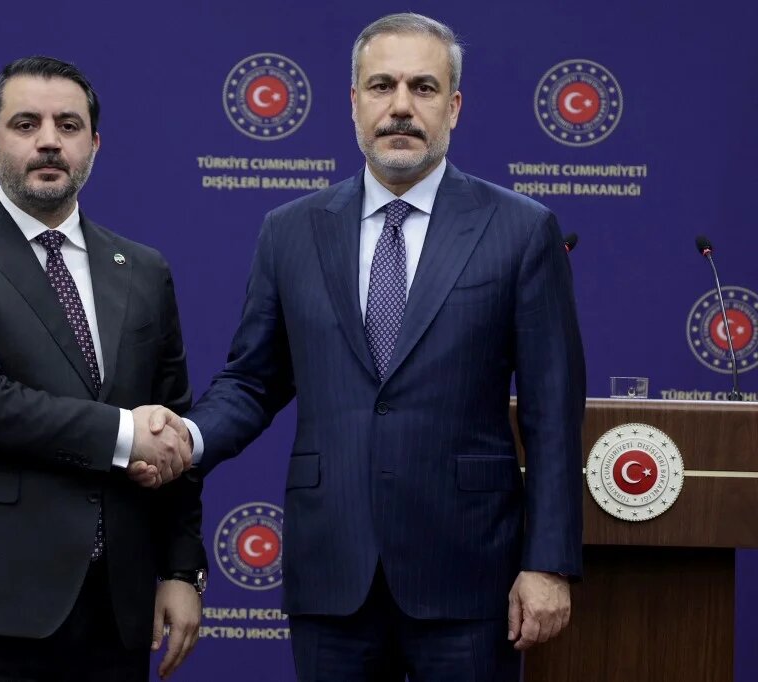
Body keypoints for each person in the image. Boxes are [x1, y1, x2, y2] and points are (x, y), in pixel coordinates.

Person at [177, 12, 586, 681]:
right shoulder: (290, 231)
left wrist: (547, 563)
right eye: (382, 86)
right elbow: (252, 382)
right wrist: (188, 440)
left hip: (467, 578)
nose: (401, 106)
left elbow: (551, 414)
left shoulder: (520, 230)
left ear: (453, 106)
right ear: (353, 103)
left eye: (423, 87)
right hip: (332, 572)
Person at [0, 56, 207, 682]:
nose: (48, 139)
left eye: (68, 125)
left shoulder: (144, 270)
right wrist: (124, 434)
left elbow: (175, 422)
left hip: (114, 612)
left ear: (93, 144)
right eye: (25, 123)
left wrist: (179, 569)